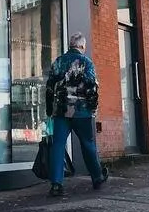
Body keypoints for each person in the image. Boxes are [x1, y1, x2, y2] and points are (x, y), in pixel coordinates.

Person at [45, 32, 108, 197]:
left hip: (61, 111)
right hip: (82, 111)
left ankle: (56, 184)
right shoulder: (86, 62)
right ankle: (97, 177)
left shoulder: (59, 61)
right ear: (82, 46)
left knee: (58, 145)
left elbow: (50, 87)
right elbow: (92, 87)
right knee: (88, 144)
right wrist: (93, 108)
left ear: (70, 45)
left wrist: (49, 109)